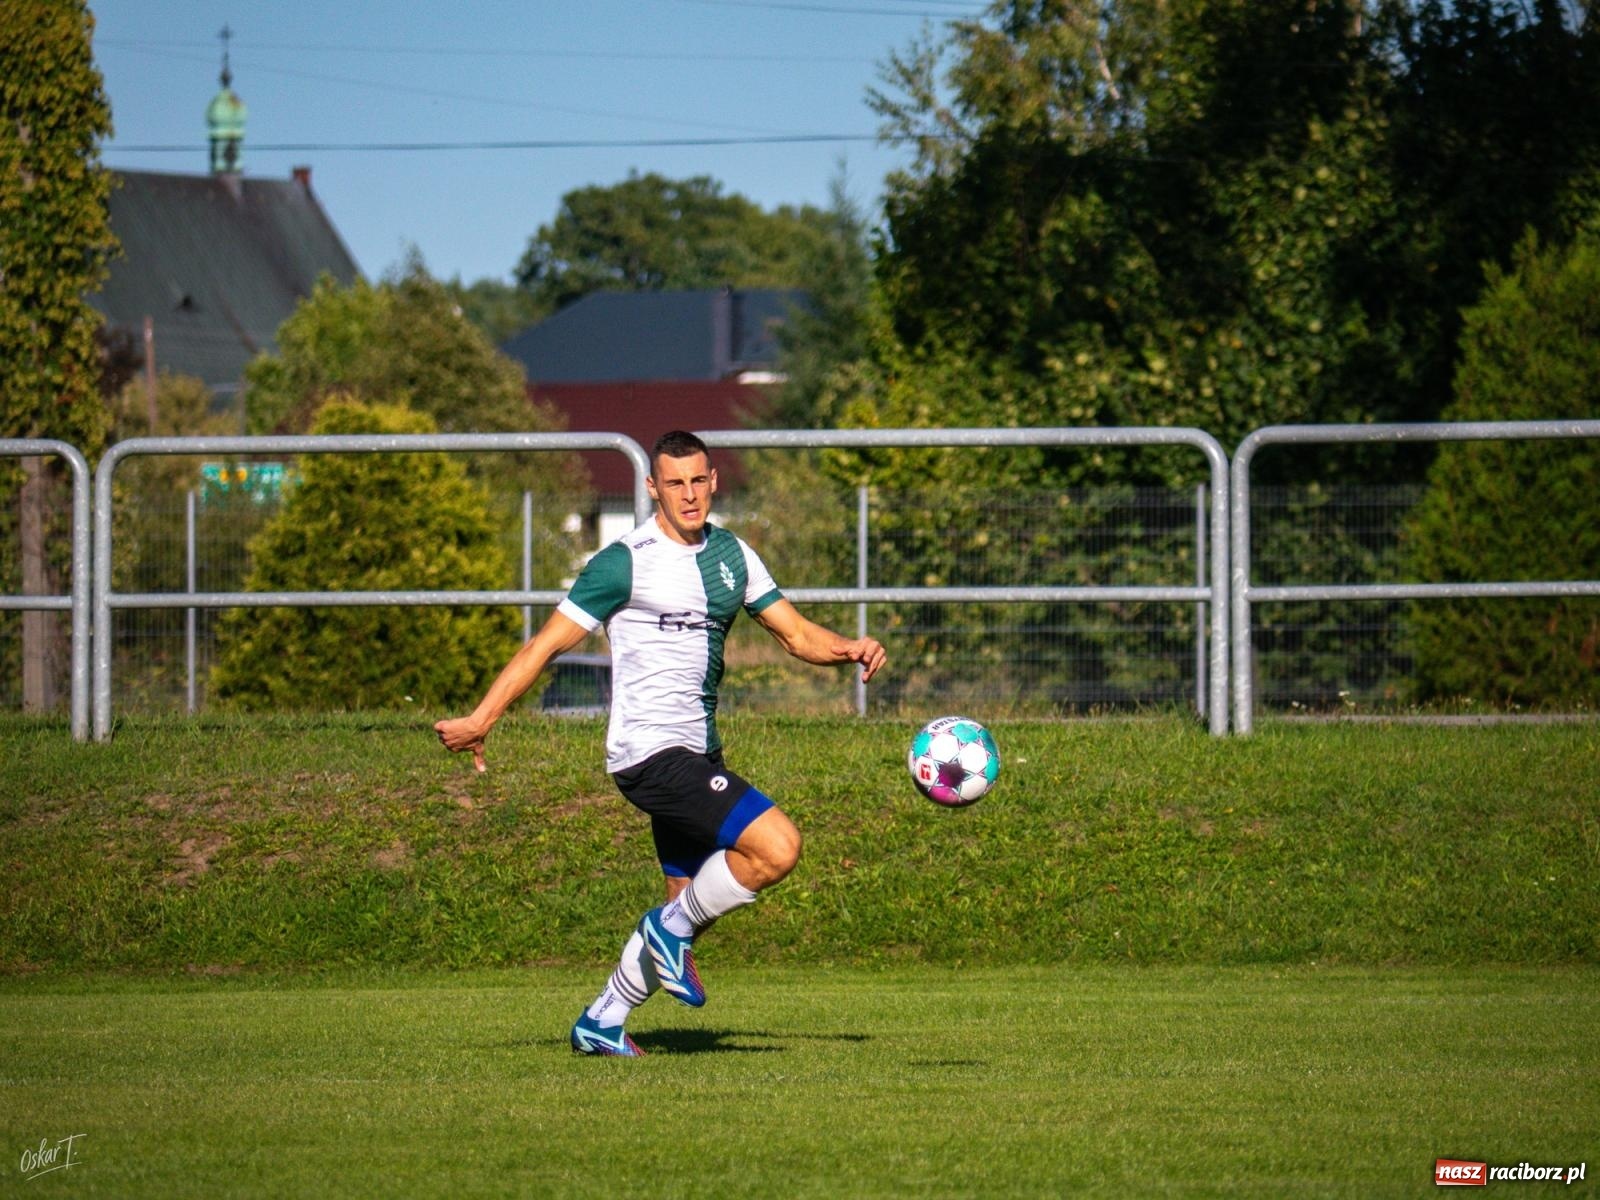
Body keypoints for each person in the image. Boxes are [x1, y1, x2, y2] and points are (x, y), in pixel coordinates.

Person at [435, 430, 886, 1056]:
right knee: (777, 846)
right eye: (674, 483)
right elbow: (545, 646)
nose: (688, 494)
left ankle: (602, 1020)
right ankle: (663, 932)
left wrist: (849, 648)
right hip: (649, 754)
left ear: (714, 481)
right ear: (652, 489)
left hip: (699, 752)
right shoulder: (623, 561)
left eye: (698, 480)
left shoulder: (731, 554)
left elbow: (795, 635)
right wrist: (483, 717)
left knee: (687, 907)